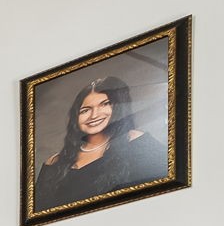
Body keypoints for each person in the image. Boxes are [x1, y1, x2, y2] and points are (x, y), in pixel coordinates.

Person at [36, 74, 171, 211]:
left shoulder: (136, 141)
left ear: (117, 108)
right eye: (85, 110)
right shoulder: (54, 162)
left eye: (104, 104)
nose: (94, 115)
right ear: (76, 116)